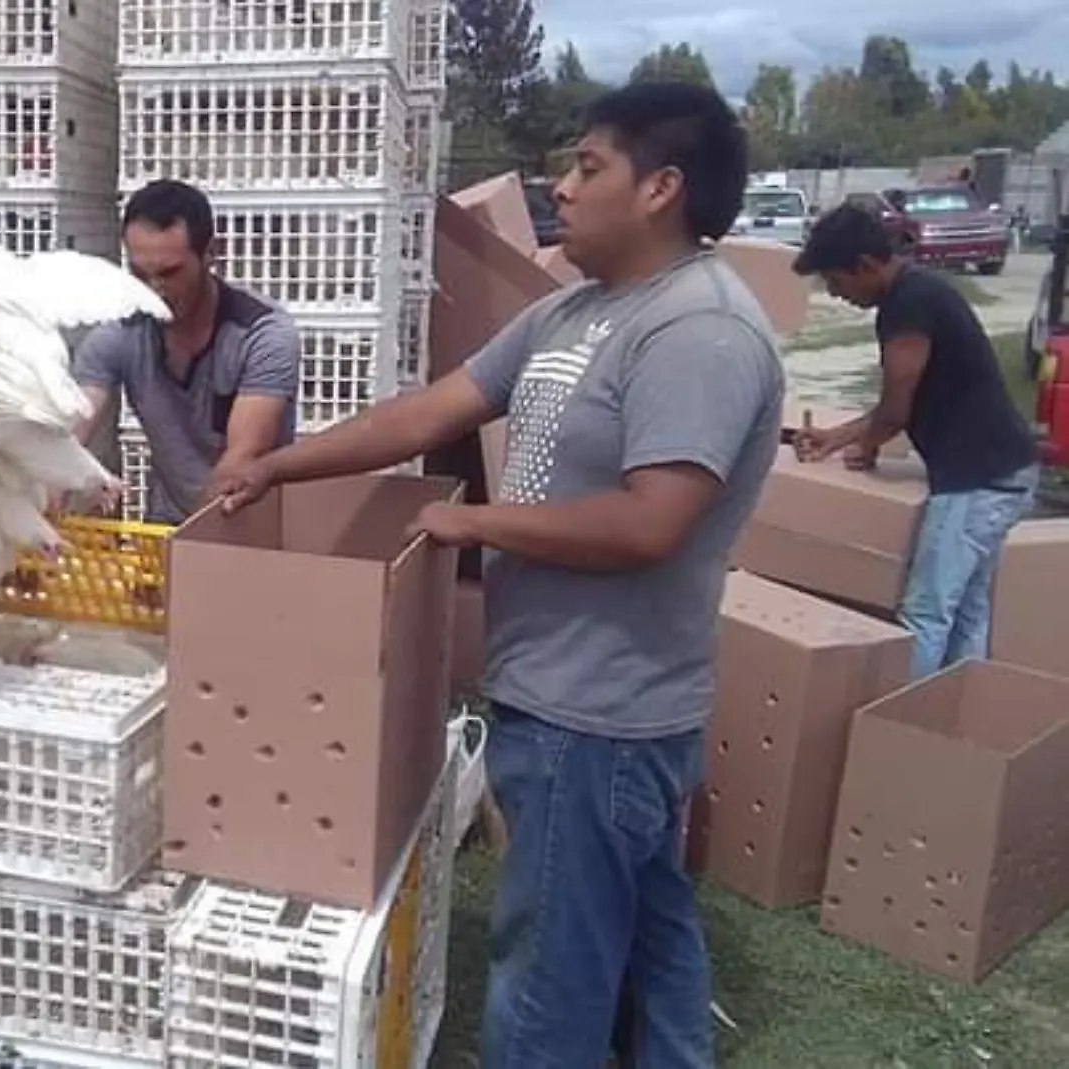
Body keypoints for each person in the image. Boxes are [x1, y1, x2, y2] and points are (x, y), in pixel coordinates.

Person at [213, 82, 784, 1068]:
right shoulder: (575, 312)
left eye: (586, 166)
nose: (559, 185)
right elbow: (429, 412)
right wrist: (275, 463)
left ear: (661, 188)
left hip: (601, 708)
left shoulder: (698, 331)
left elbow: (653, 522)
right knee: (648, 933)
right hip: (558, 691)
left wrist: (470, 519)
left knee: (551, 968)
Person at [791, 205, 1040, 679]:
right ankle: (958, 722)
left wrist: (865, 446)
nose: (836, 294)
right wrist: (833, 438)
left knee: (925, 615)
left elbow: (895, 408)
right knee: (966, 611)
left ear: (864, 265)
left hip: (978, 479)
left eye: (835, 281)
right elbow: (898, 401)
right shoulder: (921, 291)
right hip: (1004, 469)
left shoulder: (907, 306)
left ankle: (902, 729)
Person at [70, 178, 302, 523]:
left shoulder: (263, 335)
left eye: (170, 272)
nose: (154, 291)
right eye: (139, 274)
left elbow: (241, 462)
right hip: (165, 523)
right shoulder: (120, 334)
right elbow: (71, 425)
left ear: (210, 253)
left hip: (249, 526)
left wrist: (187, 550)